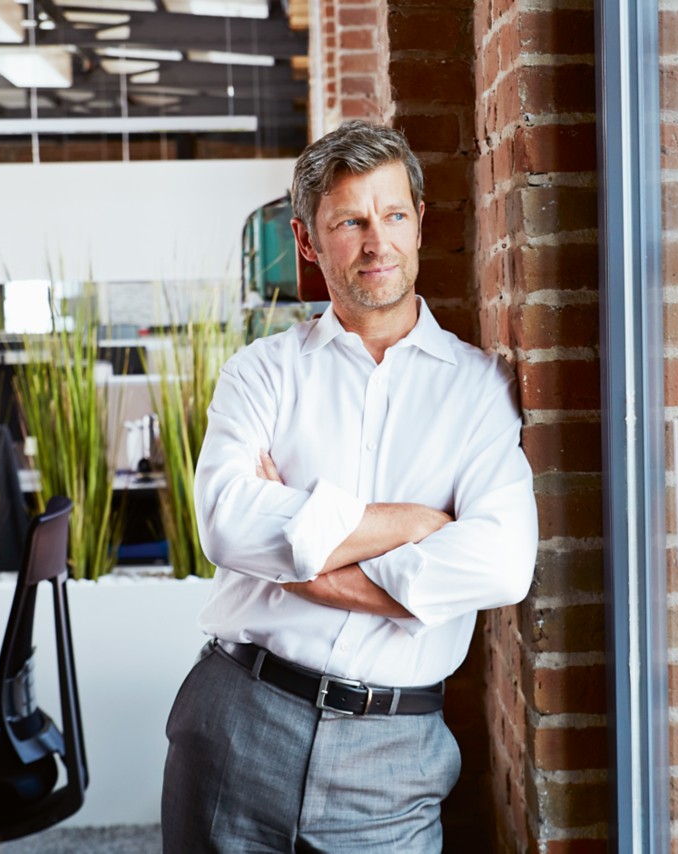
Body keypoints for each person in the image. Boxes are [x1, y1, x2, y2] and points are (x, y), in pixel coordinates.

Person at [161, 120, 539, 852]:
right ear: (307, 240)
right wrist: (413, 524)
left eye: (394, 215)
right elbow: (229, 526)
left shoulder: (479, 389)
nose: (377, 243)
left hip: (392, 758)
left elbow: (501, 564)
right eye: (349, 222)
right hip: (240, 720)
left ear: (421, 223)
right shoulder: (262, 373)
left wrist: (305, 570)